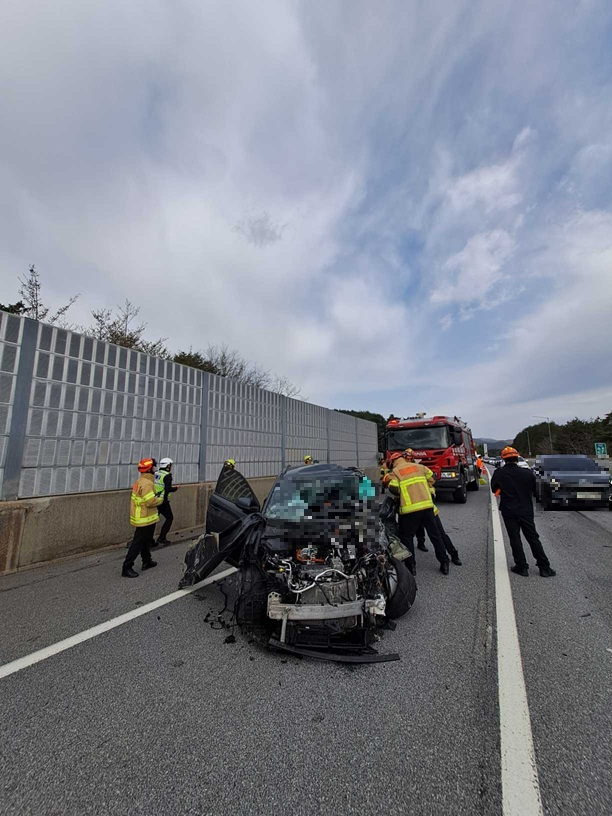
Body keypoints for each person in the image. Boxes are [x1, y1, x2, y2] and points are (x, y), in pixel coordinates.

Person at [491, 447, 556, 578]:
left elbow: (494, 489)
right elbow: (536, 492)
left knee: (515, 538)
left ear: (503, 459)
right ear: (516, 458)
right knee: (533, 538)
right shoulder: (527, 473)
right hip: (525, 509)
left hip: (509, 510)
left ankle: (521, 566)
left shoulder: (499, 473)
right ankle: (544, 567)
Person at [385, 449, 450, 576]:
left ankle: (411, 567)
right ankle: (444, 562)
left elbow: (394, 489)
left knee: (407, 537)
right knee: (435, 535)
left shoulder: (396, 472)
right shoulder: (420, 467)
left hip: (410, 510)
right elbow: (432, 479)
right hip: (427, 506)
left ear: (393, 462)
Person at [123, 458, 164, 578]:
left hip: (145, 517)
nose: (155, 468)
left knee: (146, 540)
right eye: (154, 467)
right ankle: (127, 567)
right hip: (144, 517)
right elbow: (150, 502)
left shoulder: (142, 481)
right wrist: (161, 500)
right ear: (149, 469)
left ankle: (147, 561)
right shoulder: (147, 483)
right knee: (138, 542)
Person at [416, 488, 462, 565]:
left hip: (427, 508)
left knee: (440, 533)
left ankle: (453, 553)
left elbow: (430, 485)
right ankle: (420, 542)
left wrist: (432, 494)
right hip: (415, 509)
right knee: (419, 528)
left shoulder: (422, 476)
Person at [154, 457, 179, 547]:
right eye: (170, 465)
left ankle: (148, 539)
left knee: (152, 520)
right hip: (162, 501)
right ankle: (162, 537)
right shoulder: (167, 475)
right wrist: (175, 488)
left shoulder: (156, 473)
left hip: (153, 500)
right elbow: (168, 489)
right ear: (168, 466)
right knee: (169, 518)